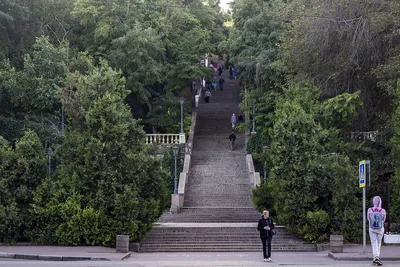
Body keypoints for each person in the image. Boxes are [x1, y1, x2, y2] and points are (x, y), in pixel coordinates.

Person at [368, 196, 386, 266]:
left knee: (374, 243)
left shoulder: (370, 210)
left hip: (372, 228)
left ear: (373, 201)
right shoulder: (383, 210)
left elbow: (368, 219)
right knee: (378, 243)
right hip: (380, 229)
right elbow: (383, 220)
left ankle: (375, 258)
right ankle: (376, 258)